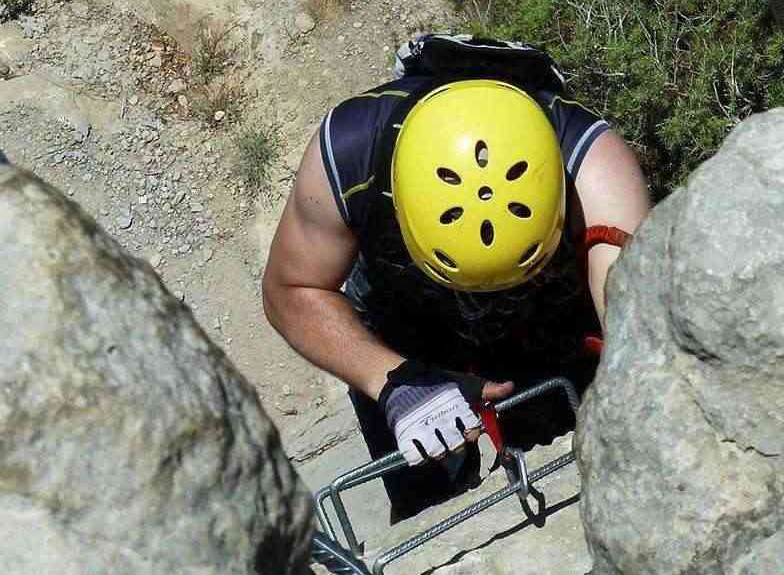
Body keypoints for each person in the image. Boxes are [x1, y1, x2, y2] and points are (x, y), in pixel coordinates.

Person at [262, 35, 650, 522]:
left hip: (550, 317)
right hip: (403, 319)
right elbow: (291, 289)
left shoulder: (593, 166)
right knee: (429, 490)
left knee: (576, 472)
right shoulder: (350, 153)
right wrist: (393, 382)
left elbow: (636, 335)